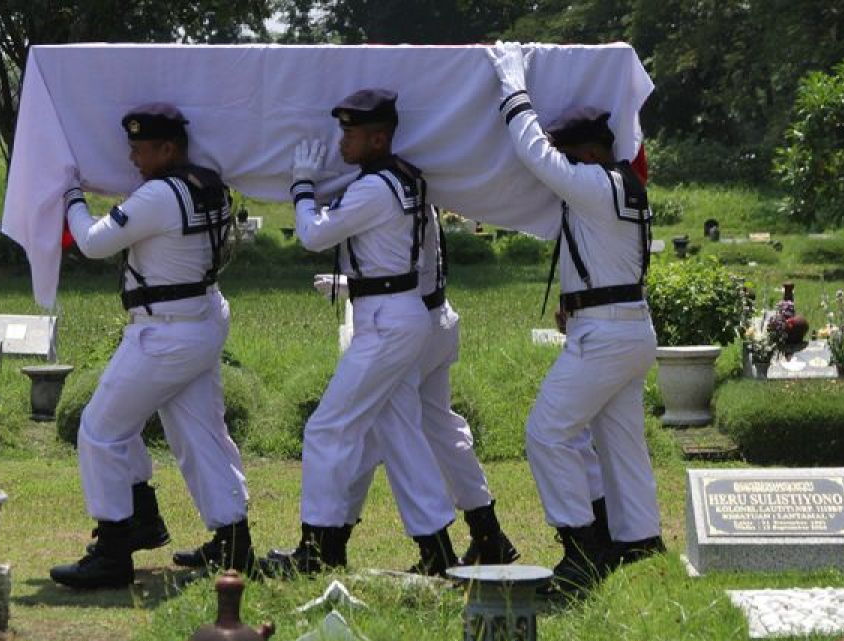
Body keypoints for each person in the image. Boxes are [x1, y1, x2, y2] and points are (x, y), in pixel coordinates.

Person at [486, 47, 665, 598]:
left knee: (546, 432)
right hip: (625, 326)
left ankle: (581, 549)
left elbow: (535, 154)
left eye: (570, 156)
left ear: (588, 152)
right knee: (620, 444)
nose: (562, 167)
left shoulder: (596, 183)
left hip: (607, 335)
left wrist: (513, 83)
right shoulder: (625, 189)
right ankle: (637, 543)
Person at [50, 103, 252, 589]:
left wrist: (72, 196)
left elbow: (96, 243)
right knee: (201, 433)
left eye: (142, 149)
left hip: (164, 331)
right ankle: (232, 543)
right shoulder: (208, 184)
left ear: (168, 148)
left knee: (100, 429)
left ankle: (117, 545)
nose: (134, 158)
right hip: (200, 317)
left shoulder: (161, 194)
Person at [262, 88, 459, 577]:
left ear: (379, 138)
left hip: (385, 321)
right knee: (399, 434)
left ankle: (318, 546)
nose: (342, 142)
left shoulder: (373, 188)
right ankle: (438, 550)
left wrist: (303, 186)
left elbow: (313, 236)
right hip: (397, 311)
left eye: (351, 133)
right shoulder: (402, 176)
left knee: (328, 427)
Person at [335, 202, 520, 566]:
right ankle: (488, 533)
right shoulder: (417, 188)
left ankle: (333, 538)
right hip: (436, 317)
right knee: (441, 427)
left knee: (377, 430)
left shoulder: (388, 189)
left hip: (410, 326)